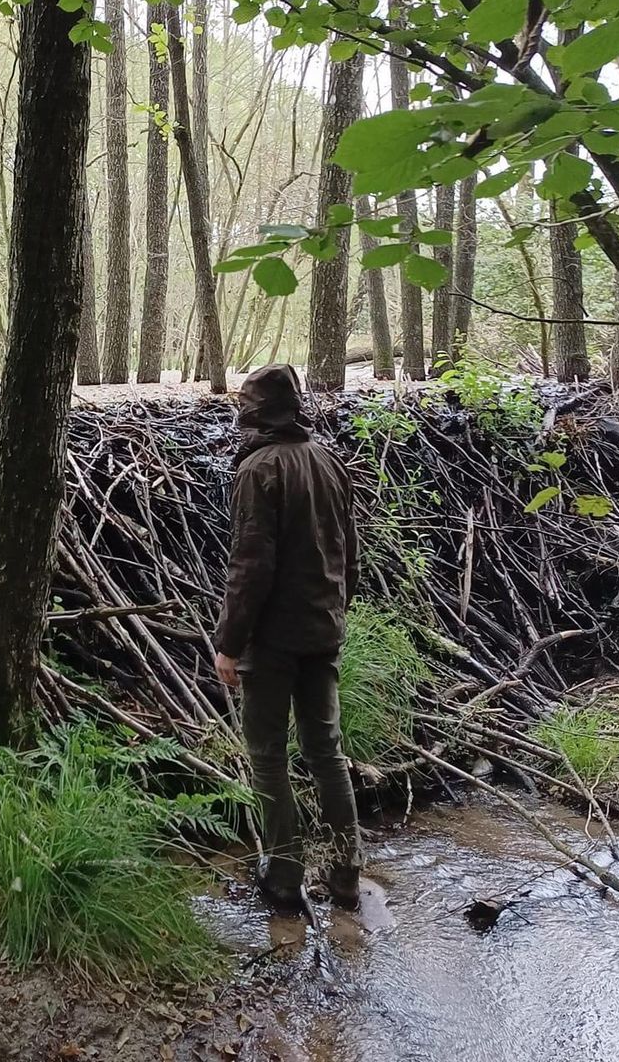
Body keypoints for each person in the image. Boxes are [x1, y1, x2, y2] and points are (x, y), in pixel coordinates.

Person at [212, 363, 363, 914]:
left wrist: (230, 644)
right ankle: (346, 873)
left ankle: (283, 877)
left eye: (244, 404)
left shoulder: (258, 469)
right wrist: (335, 612)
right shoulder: (328, 459)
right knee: (328, 754)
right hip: (323, 632)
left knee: (269, 757)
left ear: (256, 412)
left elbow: (249, 566)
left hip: (273, 643)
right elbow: (350, 553)